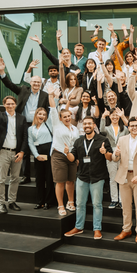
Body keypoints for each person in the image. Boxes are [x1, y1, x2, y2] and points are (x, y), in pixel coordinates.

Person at [0, 58, 49, 184]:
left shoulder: (45, 95)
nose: (36, 84)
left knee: (39, 149)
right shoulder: (23, 90)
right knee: (24, 150)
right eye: (34, 82)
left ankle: (40, 177)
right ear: (30, 82)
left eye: (38, 82)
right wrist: (2, 72)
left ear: (41, 84)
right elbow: (9, 84)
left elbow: (47, 110)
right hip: (23, 124)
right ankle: (26, 176)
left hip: (37, 125)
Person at [63, 116, 113, 240]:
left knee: (97, 204)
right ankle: (78, 227)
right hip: (82, 177)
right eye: (85, 124)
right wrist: (67, 153)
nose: (87, 126)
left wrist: (104, 152)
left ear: (94, 125)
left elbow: (110, 158)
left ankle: (97, 229)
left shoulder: (103, 140)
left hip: (97, 177)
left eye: (89, 124)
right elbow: (72, 158)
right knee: (79, 204)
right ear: (82, 126)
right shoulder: (79, 141)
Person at [0, 86, 28, 214]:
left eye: (12, 104)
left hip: (17, 153)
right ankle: (1, 203)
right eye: (7, 104)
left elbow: (25, 137)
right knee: (1, 179)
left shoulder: (21, 118)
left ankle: (12, 201)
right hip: (2, 152)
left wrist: (22, 152)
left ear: (15, 104)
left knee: (15, 179)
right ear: (4, 105)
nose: (10, 106)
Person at [112, 117, 137, 244]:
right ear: (128, 127)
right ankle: (126, 229)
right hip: (124, 177)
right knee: (125, 205)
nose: (134, 128)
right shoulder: (122, 139)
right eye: (132, 126)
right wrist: (116, 154)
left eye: (136, 125)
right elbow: (114, 158)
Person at [48, 86, 80, 216]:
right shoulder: (57, 124)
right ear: (60, 118)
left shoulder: (75, 129)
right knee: (60, 181)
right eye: (64, 116)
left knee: (71, 180)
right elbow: (53, 110)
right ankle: (60, 205)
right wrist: (51, 96)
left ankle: (70, 202)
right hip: (58, 155)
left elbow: (76, 145)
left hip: (71, 157)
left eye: (69, 116)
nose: (67, 118)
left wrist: (76, 157)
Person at [100, 108, 129, 209]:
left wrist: (123, 116)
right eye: (112, 115)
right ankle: (114, 199)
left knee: (122, 177)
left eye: (116, 115)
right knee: (112, 177)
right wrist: (103, 117)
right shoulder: (107, 128)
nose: (115, 117)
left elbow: (131, 128)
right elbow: (101, 131)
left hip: (122, 154)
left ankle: (121, 199)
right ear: (110, 116)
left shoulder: (124, 129)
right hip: (110, 153)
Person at [28, 108, 55, 210]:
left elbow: (53, 111)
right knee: (39, 178)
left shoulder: (48, 124)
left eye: (44, 114)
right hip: (38, 154)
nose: (42, 116)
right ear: (36, 115)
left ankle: (49, 201)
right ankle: (40, 201)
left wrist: (54, 97)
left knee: (49, 177)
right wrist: (36, 155)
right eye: (40, 114)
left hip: (49, 152)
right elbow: (30, 143)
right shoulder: (31, 129)